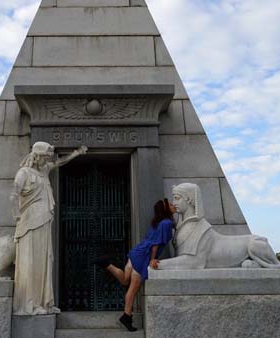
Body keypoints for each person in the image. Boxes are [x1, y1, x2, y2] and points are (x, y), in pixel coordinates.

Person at [11, 142, 87, 315]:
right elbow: (13, 195)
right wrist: (17, 216)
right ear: (36, 156)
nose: (47, 160)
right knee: (31, 261)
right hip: (30, 222)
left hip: (44, 220)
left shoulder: (43, 171)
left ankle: (44, 302)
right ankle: (30, 303)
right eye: (45, 157)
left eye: (48, 158)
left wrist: (76, 153)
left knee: (44, 260)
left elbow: (59, 162)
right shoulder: (23, 173)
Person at [94, 198, 176, 332]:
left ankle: (107, 264)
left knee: (125, 280)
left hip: (137, 252)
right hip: (143, 257)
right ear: (165, 209)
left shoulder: (157, 222)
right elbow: (155, 244)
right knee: (132, 289)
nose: (174, 206)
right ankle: (126, 316)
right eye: (171, 205)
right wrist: (152, 259)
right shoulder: (166, 223)